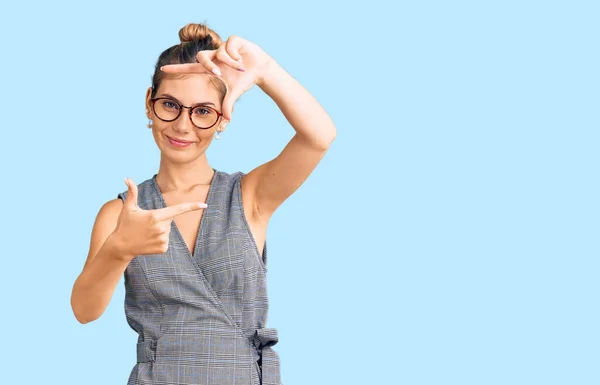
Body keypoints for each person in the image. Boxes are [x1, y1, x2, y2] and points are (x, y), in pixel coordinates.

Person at [70, 23, 336, 385]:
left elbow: (319, 137)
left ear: (223, 118)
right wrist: (118, 249)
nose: (183, 125)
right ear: (149, 103)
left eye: (202, 111)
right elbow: (85, 311)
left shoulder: (250, 196)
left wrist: (265, 69)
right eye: (170, 105)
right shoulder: (121, 213)